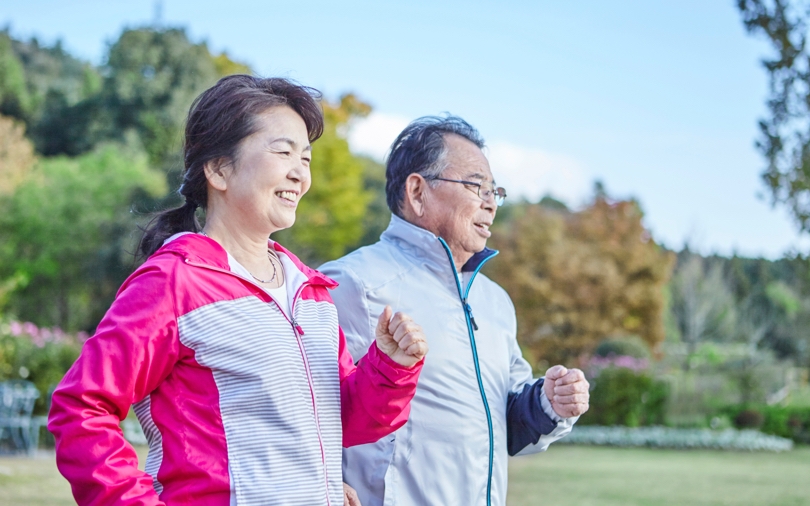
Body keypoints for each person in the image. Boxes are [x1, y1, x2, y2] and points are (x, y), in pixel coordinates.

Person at [48, 75, 428, 506]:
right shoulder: (173, 282)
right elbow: (81, 408)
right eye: (283, 151)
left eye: (305, 158)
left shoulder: (312, 292)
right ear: (218, 169)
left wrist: (390, 368)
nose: (300, 173)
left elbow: (339, 421)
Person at [320, 116, 590, 506]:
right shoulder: (351, 283)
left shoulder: (495, 300)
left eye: (495, 190)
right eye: (475, 185)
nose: (490, 203)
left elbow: (504, 420)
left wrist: (551, 402)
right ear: (417, 192)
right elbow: (306, 413)